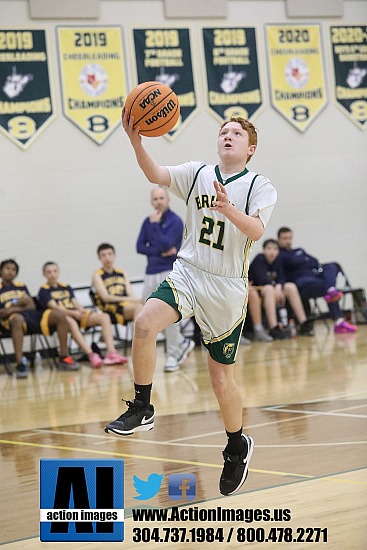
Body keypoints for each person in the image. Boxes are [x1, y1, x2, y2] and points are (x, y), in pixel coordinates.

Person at [105, 113, 277, 497]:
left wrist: (228, 208)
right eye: (223, 132)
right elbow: (155, 174)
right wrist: (136, 142)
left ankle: (236, 445)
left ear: (250, 149)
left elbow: (256, 230)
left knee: (220, 380)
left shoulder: (259, 185)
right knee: (145, 322)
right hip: (188, 270)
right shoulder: (197, 172)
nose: (228, 136)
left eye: (236, 133)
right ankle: (142, 406)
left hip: (227, 286)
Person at [136, 186, 194, 372]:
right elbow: (140, 247)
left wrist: (156, 233)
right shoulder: (147, 221)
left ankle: (174, 353)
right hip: (150, 272)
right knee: (145, 314)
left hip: (168, 271)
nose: (158, 201)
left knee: (166, 314)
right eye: (155, 199)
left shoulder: (175, 221)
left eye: (162, 198)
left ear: (168, 200)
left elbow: (168, 244)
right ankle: (182, 342)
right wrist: (161, 251)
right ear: (151, 201)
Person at [38, 262, 127, 368]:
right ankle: (91, 354)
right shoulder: (43, 290)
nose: (52, 274)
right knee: (70, 322)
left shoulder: (66, 287)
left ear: (59, 272)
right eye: (49, 272)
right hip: (62, 318)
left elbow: (74, 302)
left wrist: (81, 310)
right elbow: (55, 308)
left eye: (55, 271)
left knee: (104, 317)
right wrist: (73, 313)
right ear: (44, 274)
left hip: (75, 313)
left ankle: (111, 352)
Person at [0, 259, 79, 378]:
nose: (10, 272)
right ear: (1, 271)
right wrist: (18, 305)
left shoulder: (21, 286)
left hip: (31, 316)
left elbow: (31, 305)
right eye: (7, 269)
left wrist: (12, 308)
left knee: (60, 315)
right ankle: (20, 362)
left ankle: (63, 356)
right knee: (17, 319)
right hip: (10, 321)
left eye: (13, 270)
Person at [277, 227, 357, 334]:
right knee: (326, 286)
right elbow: (292, 262)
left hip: (314, 278)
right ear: (279, 239)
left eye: (290, 238)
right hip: (300, 284)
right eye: (285, 238)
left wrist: (299, 260)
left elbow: (314, 261)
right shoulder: (279, 255)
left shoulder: (298, 250)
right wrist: (302, 259)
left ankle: (331, 289)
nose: (288, 241)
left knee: (333, 265)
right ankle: (338, 317)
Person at [249, 239, 314, 339]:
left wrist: (279, 286)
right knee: (269, 289)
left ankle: (303, 322)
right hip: (257, 289)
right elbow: (262, 280)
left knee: (290, 287)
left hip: (272, 289)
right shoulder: (259, 259)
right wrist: (276, 288)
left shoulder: (277, 260)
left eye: (275, 249)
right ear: (264, 250)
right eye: (269, 249)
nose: (272, 252)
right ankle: (273, 327)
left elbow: (281, 277)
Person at [92, 243, 143, 333]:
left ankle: (147, 338)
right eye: (103, 255)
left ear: (114, 255)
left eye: (109, 254)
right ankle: (139, 342)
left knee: (149, 307)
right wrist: (128, 299)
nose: (107, 258)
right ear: (99, 258)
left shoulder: (122, 273)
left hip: (126, 305)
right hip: (110, 307)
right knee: (138, 308)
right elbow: (106, 297)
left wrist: (137, 300)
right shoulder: (97, 274)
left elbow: (130, 293)